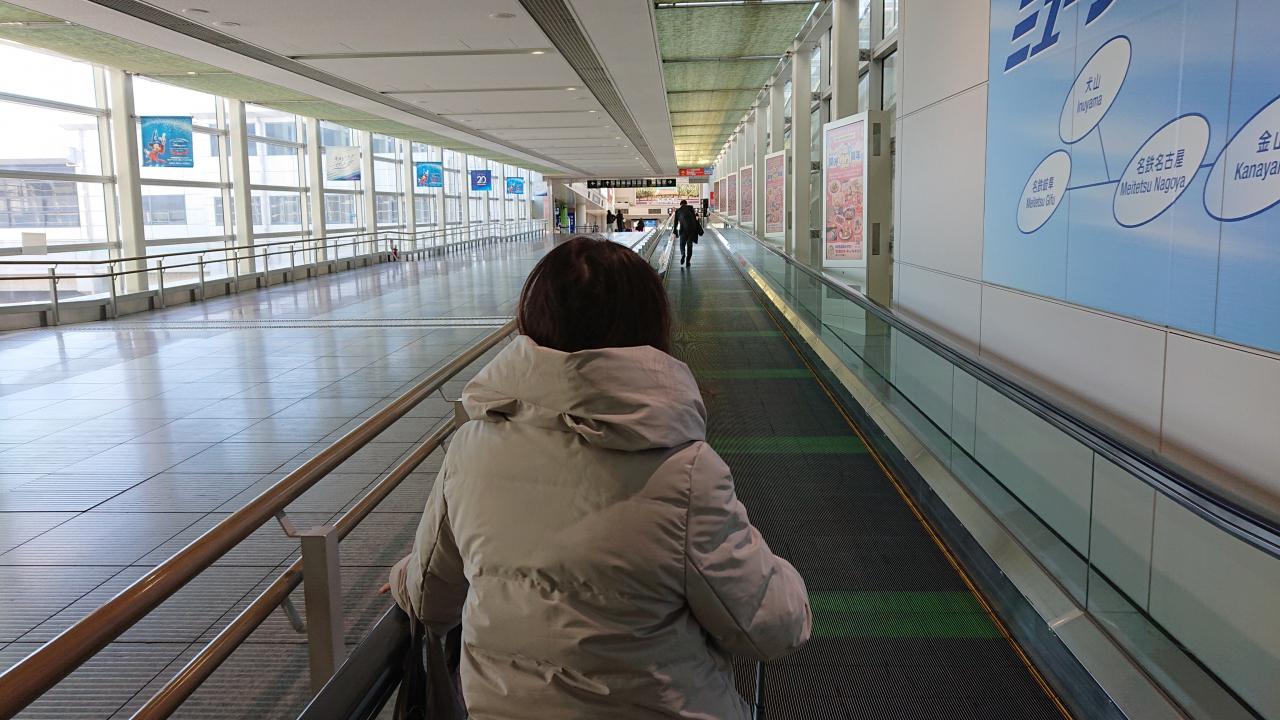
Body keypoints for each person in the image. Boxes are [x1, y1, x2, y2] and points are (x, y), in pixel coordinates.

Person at [388, 237, 811, 719]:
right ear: (649, 327)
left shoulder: (469, 449)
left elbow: (429, 599)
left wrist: (404, 573)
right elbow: (770, 628)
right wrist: (788, 581)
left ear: (533, 322)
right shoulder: (685, 473)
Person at [672, 199, 703, 267]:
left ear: (680, 204)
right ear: (686, 204)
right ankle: (688, 261)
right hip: (691, 230)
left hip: (683, 230)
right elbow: (694, 219)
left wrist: (675, 231)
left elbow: (675, 222)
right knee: (689, 246)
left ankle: (683, 254)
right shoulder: (691, 208)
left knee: (682, 245)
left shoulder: (678, 211)